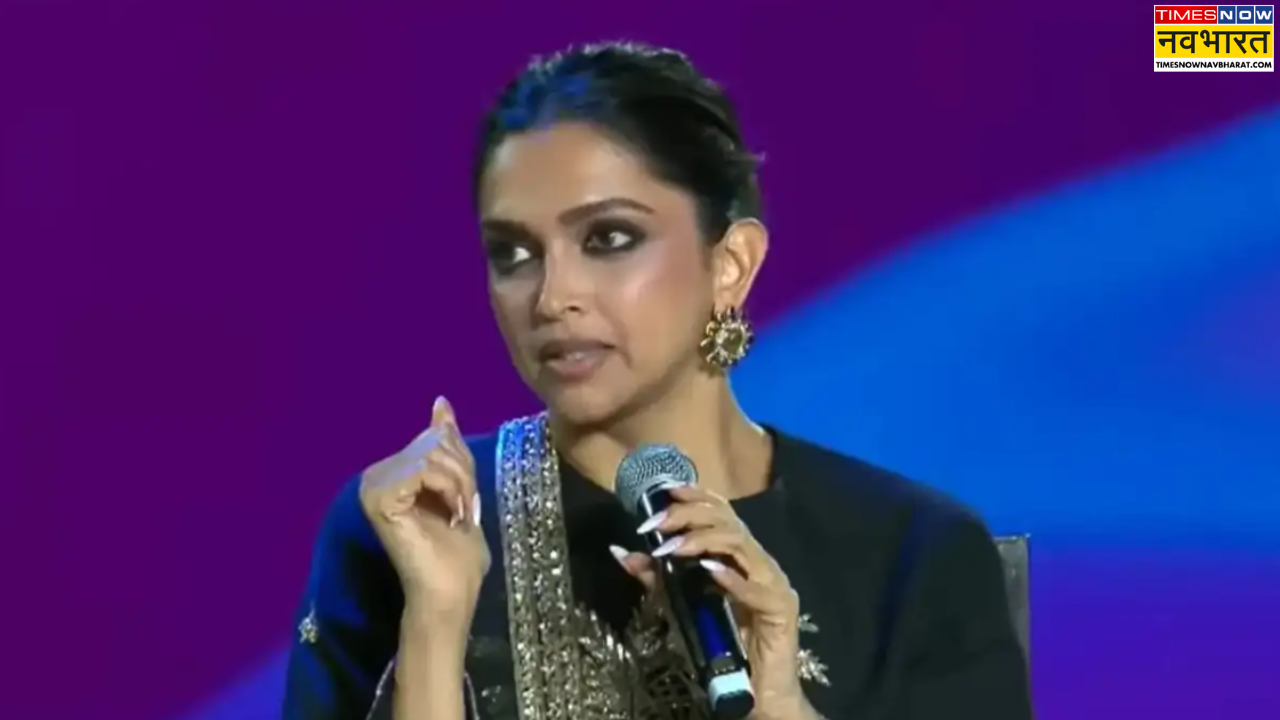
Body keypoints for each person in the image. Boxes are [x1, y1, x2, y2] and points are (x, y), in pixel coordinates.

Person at [282, 41, 1033, 720]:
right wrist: (436, 626)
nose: (552, 297)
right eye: (513, 254)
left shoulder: (913, 556)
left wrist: (779, 707)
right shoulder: (415, 525)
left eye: (609, 238)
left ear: (730, 264)